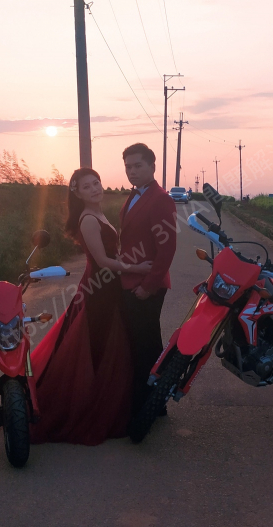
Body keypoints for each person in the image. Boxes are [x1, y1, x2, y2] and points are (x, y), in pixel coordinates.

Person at [28, 168, 152, 445]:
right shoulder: (88, 219)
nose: (95, 188)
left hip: (106, 285)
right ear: (78, 194)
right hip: (99, 289)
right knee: (97, 346)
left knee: (107, 345)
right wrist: (138, 268)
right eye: (87, 186)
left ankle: (106, 402)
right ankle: (87, 407)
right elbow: (103, 261)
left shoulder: (98, 213)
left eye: (96, 183)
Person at [117, 143, 178, 418]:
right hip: (130, 280)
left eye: (137, 166)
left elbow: (167, 248)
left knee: (147, 345)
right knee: (139, 343)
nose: (132, 171)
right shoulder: (134, 195)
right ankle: (151, 401)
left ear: (152, 166)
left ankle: (151, 403)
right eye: (128, 167)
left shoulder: (160, 199)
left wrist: (148, 286)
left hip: (146, 285)